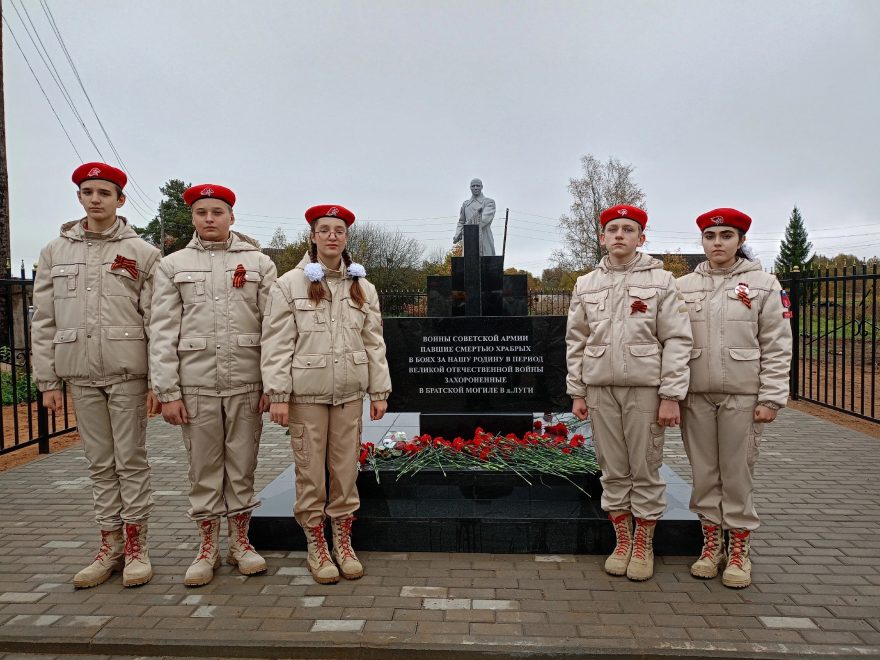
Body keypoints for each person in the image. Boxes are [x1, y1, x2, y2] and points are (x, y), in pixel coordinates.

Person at [31, 162, 161, 588]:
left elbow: (156, 320)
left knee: (130, 460)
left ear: (120, 200)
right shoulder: (55, 252)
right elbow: (44, 319)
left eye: (105, 193)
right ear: (79, 198)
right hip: (80, 373)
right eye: (88, 192)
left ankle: (137, 545)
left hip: (127, 372)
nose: (96, 199)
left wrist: (159, 380)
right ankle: (109, 545)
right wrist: (48, 380)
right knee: (99, 463)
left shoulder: (143, 253)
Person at [149, 184, 277, 586]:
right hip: (197, 385)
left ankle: (241, 542)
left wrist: (272, 384)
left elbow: (275, 328)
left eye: (217, 212)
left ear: (231, 217)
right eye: (202, 212)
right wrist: (168, 392)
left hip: (246, 383)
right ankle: (207, 548)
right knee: (204, 468)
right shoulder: (172, 265)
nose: (209, 218)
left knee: (242, 465)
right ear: (192, 218)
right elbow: (162, 331)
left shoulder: (259, 263)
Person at [261, 204, 391, 584]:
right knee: (310, 474)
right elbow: (277, 344)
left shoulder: (362, 286)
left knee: (345, 472)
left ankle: (343, 542)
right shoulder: (290, 283)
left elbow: (374, 343)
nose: (332, 236)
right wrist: (279, 394)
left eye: (339, 230)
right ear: (313, 236)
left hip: (349, 395)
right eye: (325, 229)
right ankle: (316, 545)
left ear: (346, 237)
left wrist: (379, 390)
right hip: (307, 397)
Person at [565, 204, 692, 581]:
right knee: (613, 469)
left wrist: (671, 394)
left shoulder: (662, 281)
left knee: (645, 469)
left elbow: (677, 339)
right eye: (613, 229)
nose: (620, 235)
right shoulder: (585, 284)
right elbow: (576, 340)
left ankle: (643, 544)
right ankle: (622, 540)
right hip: (600, 389)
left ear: (641, 237)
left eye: (628, 229)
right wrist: (577, 392)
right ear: (602, 237)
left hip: (645, 390)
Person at [677, 208, 792, 588]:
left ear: (740, 241)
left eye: (726, 236)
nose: (717, 243)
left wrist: (772, 397)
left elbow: (777, 344)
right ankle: (713, 545)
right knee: (705, 473)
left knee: (737, 473)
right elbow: (672, 342)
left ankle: (740, 548)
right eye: (710, 237)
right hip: (695, 396)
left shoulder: (764, 285)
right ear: (702, 242)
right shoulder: (684, 287)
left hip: (743, 396)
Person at [453, 178, 496, 256]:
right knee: (467, 263)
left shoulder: (488, 202)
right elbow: (461, 221)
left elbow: (484, 219)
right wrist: (457, 233)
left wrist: (467, 229)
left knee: (485, 263)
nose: (475, 187)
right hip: (468, 239)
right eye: (473, 186)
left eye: (478, 186)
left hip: (484, 237)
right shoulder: (465, 204)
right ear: (470, 187)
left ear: (481, 187)